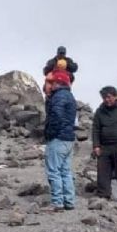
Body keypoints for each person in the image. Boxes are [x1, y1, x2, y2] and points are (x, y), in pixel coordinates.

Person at [44, 70, 77, 211]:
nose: (51, 85)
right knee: (65, 171)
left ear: (58, 83)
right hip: (69, 138)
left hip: (58, 138)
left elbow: (56, 116)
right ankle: (69, 201)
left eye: (53, 83)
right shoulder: (70, 96)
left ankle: (57, 202)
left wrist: (50, 133)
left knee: (54, 171)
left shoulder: (58, 97)